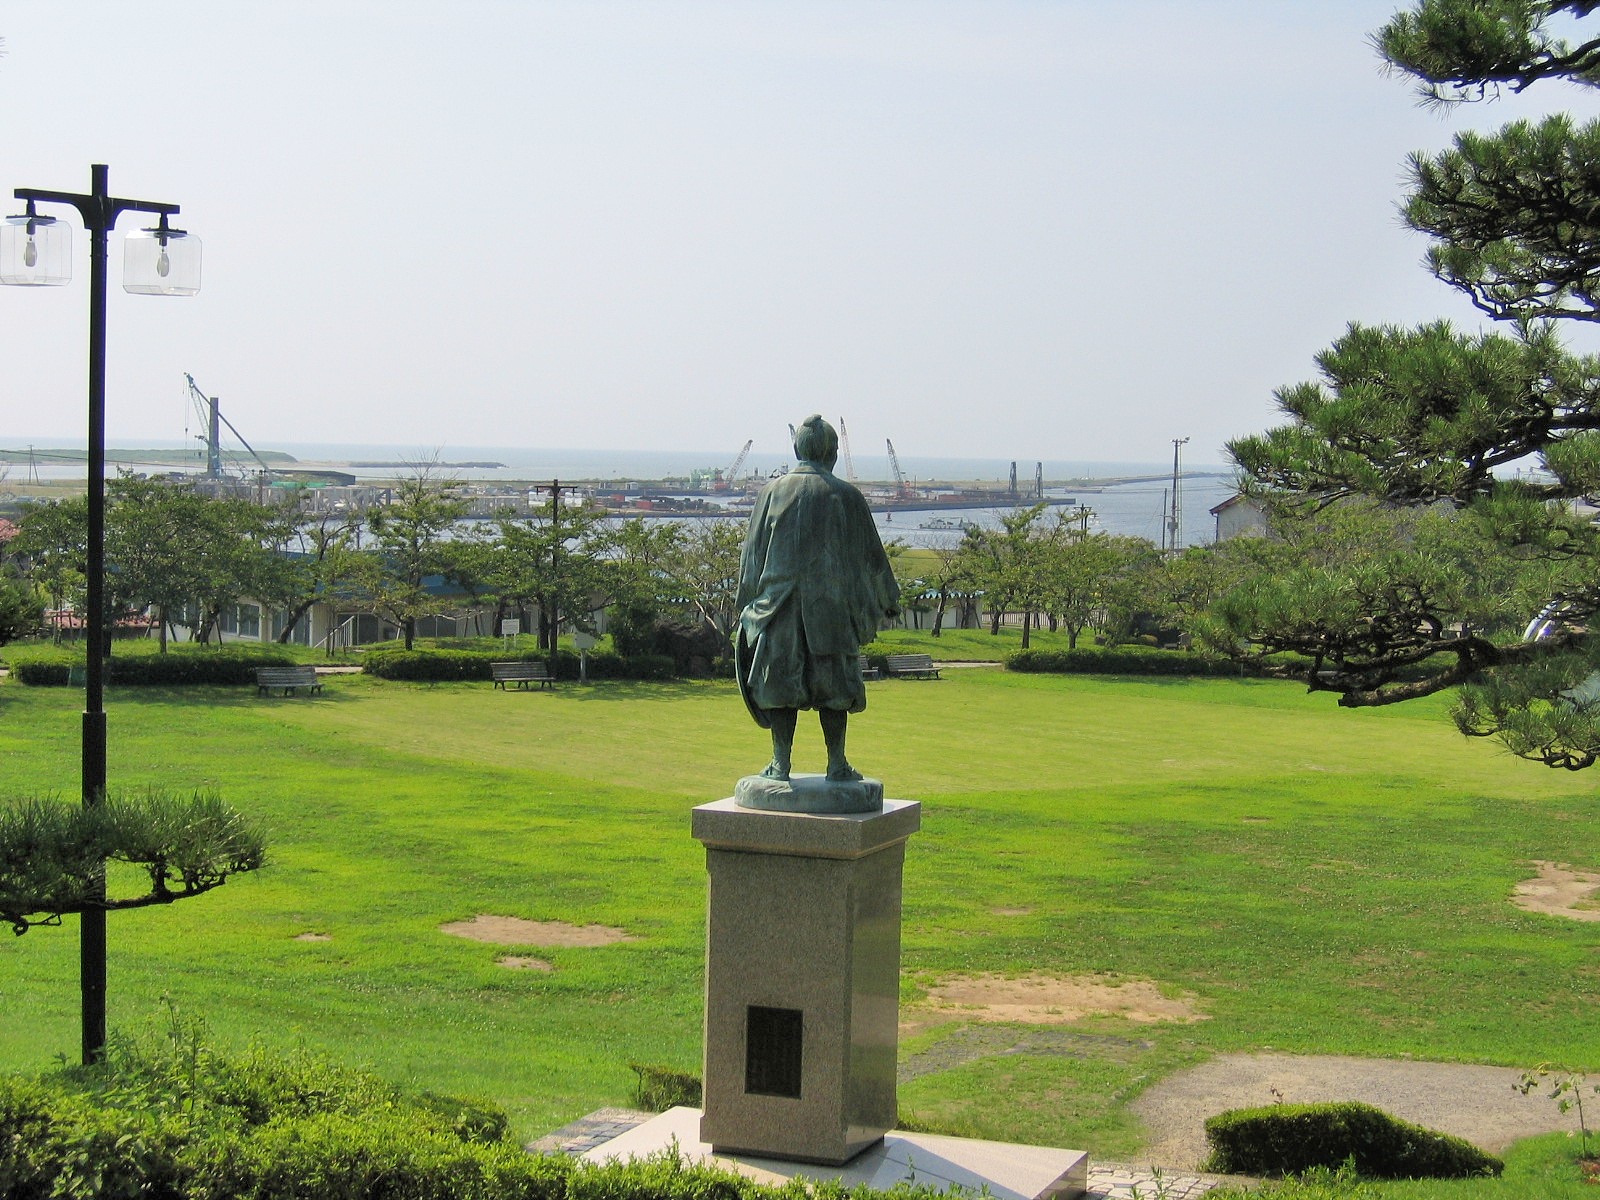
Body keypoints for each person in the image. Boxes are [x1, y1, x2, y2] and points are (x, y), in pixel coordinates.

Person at [737, 414, 900, 781]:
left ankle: (781, 763)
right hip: (831, 610)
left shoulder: (771, 492)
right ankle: (836, 763)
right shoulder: (846, 495)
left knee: (779, 684)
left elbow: (752, 555)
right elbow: (871, 556)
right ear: (832, 452)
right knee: (834, 689)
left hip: (778, 607)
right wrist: (888, 597)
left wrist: (746, 604)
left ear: (799, 449)